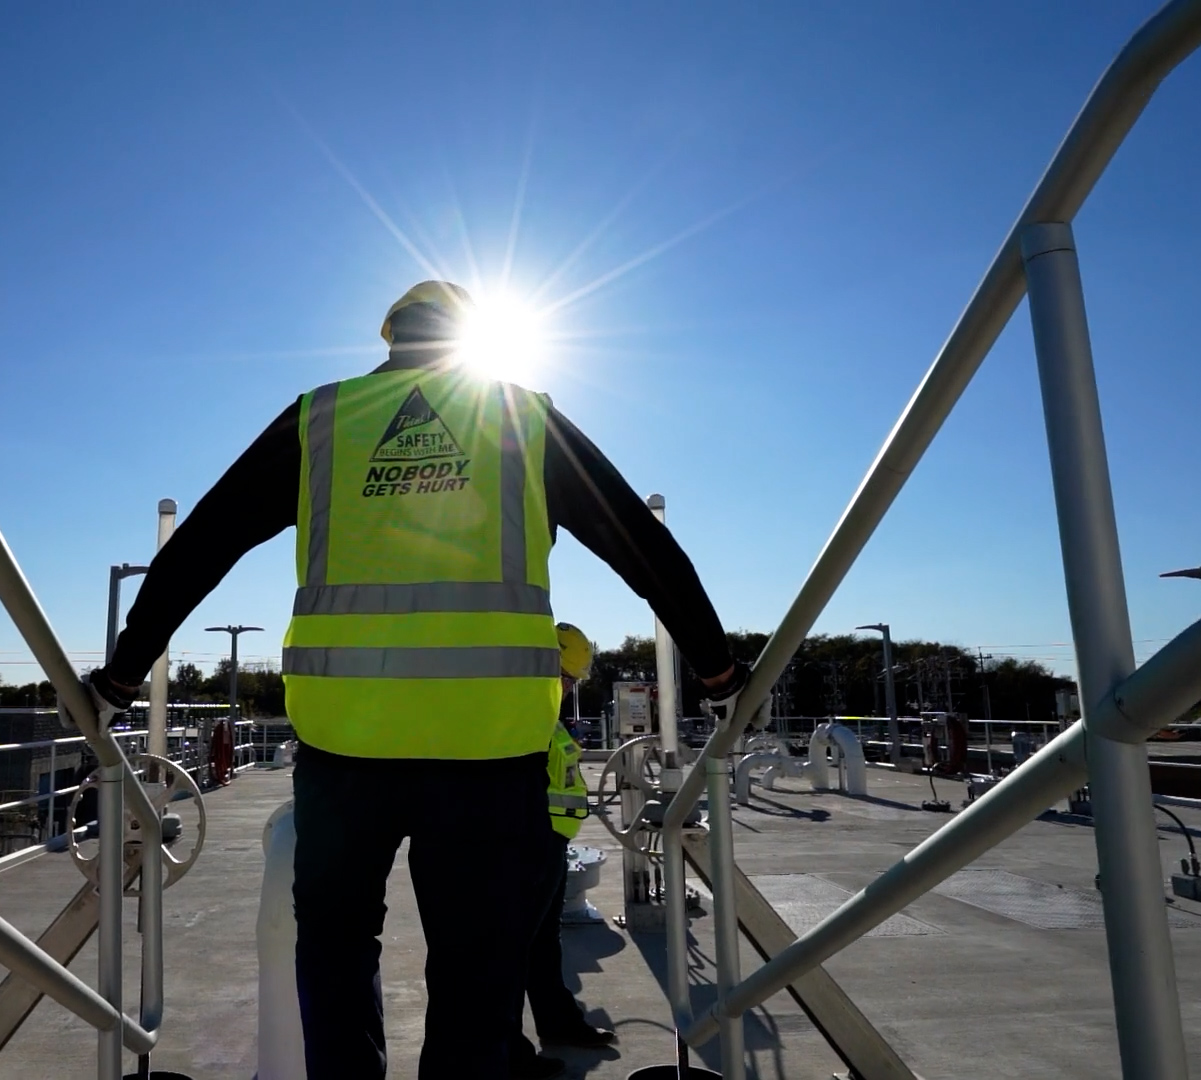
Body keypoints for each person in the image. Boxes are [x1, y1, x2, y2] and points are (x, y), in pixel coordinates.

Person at [86, 280, 752, 1079]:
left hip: (345, 748)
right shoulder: (521, 419)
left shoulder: (322, 420)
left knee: (335, 956)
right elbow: (642, 548)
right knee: (477, 980)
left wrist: (122, 676)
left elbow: (202, 544)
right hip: (490, 752)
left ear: (389, 338)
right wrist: (716, 670)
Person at [512, 623, 615, 1080]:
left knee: (541, 943)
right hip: (526, 839)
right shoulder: (519, 715)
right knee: (512, 948)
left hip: (548, 841)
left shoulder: (541, 714)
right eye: (566, 677)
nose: (568, 687)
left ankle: (558, 1023)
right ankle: (508, 1053)